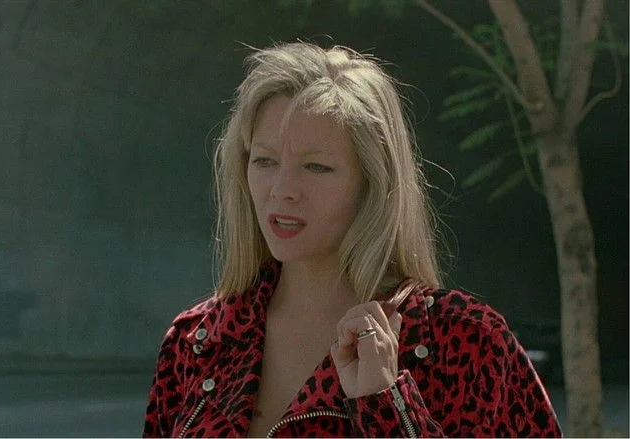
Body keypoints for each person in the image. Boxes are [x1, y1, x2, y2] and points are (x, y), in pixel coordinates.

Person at [143, 42, 562, 438]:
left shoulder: (466, 340)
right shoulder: (197, 342)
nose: (282, 190)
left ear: (373, 183)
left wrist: (387, 405)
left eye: (316, 167)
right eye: (265, 160)